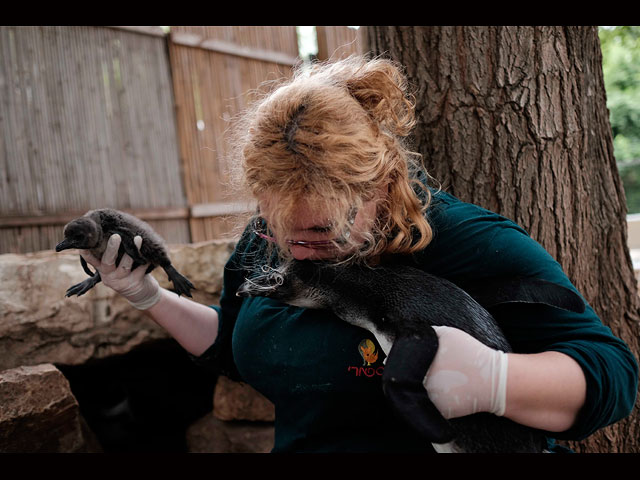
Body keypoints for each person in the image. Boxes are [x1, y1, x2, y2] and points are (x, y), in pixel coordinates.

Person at [80, 55, 638, 453]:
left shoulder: (467, 241)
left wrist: (497, 380)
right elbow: (234, 347)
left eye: (321, 232)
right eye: (279, 226)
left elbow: (614, 376)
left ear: (377, 191)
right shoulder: (263, 240)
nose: (296, 249)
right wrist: (148, 296)